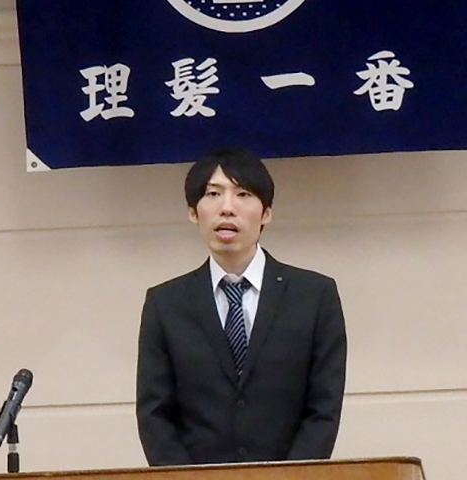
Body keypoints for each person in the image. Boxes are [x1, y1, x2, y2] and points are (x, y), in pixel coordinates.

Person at [136, 147, 347, 466]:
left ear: (266, 213)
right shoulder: (165, 304)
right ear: (193, 212)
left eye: (243, 194)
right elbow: (155, 415)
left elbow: (323, 410)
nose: (227, 208)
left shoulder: (315, 296)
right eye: (213, 194)